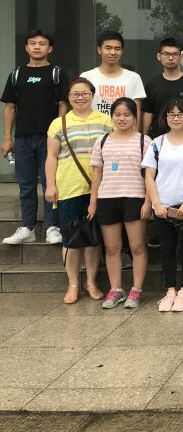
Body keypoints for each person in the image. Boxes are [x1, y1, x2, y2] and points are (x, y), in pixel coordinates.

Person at [44, 77, 112, 304]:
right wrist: (51, 184)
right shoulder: (58, 123)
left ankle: (91, 282)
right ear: (69, 97)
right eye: (75, 94)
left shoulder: (106, 121)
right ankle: (73, 284)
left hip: (100, 188)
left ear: (92, 96)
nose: (80, 97)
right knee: (71, 240)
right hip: (69, 187)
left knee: (93, 239)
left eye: (85, 93)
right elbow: (51, 156)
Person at [1, 29, 69, 246]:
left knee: (51, 182)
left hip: (50, 138)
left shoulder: (57, 73)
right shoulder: (17, 74)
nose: (37, 47)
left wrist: (60, 134)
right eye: (33, 43)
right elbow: (10, 107)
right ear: (26, 47)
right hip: (22, 138)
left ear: (50, 48)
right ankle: (27, 227)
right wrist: (7, 138)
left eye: (42, 43)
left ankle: (52, 227)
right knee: (26, 184)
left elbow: (63, 105)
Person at [143, 98, 183, 313]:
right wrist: (156, 203)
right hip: (163, 206)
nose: (176, 118)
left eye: (181, 114)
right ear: (165, 118)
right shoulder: (157, 143)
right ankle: (170, 290)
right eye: (171, 114)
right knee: (167, 250)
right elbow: (149, 175)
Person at [88, 98, 152, 309]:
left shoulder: (144, 141)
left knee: (137, 246)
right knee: (111, 247)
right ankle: (116, 289)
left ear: (135, 117)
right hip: (107, 198)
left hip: (135, 197)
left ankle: (136, 289)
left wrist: (148, 201)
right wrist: (93, 201)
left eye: (127, 114)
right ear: (112, 116)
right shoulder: (103, 140)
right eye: (117, 114)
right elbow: (97, 173)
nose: (122, 118)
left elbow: (150, 175)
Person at [143, 38, 183, 139]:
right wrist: (145, 138)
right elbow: (148, 112)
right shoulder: (152, 84)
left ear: (181, 57)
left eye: (174, 54)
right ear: (159, 56)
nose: (170, 58)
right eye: (166, 54)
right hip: (158, 138)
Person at [81, 30, 146, 118]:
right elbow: (80, 110)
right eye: (108, 48)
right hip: (94, 126)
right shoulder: (86, 77)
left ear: (122, 50)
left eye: (117, 49)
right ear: (99, 50)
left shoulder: (134, 78)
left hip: (124, 127)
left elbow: (136, 114)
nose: (113, 52)